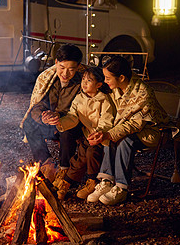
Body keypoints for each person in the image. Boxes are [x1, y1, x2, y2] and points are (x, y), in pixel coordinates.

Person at [86, 56, 169, 205]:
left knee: (124, 139)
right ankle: (106, 181)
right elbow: (112, 116)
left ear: (122, 77)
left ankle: (121, 188)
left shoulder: (143, 93)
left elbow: (134, 125)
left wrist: (109, 133)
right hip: (131, 129)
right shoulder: (117, 90)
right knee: (113, 135)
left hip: (152, 131)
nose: (105, 81)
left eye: (108, 78)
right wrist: (103, 132)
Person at [21, 44, 84, 182]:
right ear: (56, 63)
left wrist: (60, 117)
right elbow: (38, 104)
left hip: (73, 122)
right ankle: (46, 163)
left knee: (67, 130)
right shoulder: (48, 78)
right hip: (51, 122)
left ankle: (64, 171)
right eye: (62, 68)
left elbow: (84, 109)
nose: (65, 73)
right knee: (29, 124)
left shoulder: (83, 82)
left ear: (78, 67)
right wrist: (44, 117)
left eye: (71, 69)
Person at [53, 66, 114, 200]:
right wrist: (60, 122)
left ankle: (92, 182)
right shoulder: (79, 98)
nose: (84, 83)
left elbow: (106, 120)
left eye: (89, 80)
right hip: (88, 135)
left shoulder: (104, 100)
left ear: (98, 84)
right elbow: (73, 116)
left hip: (101, 136)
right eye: (83, 79)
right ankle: (66, 183)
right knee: (80, 156)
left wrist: (99, 133)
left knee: (91, 153)